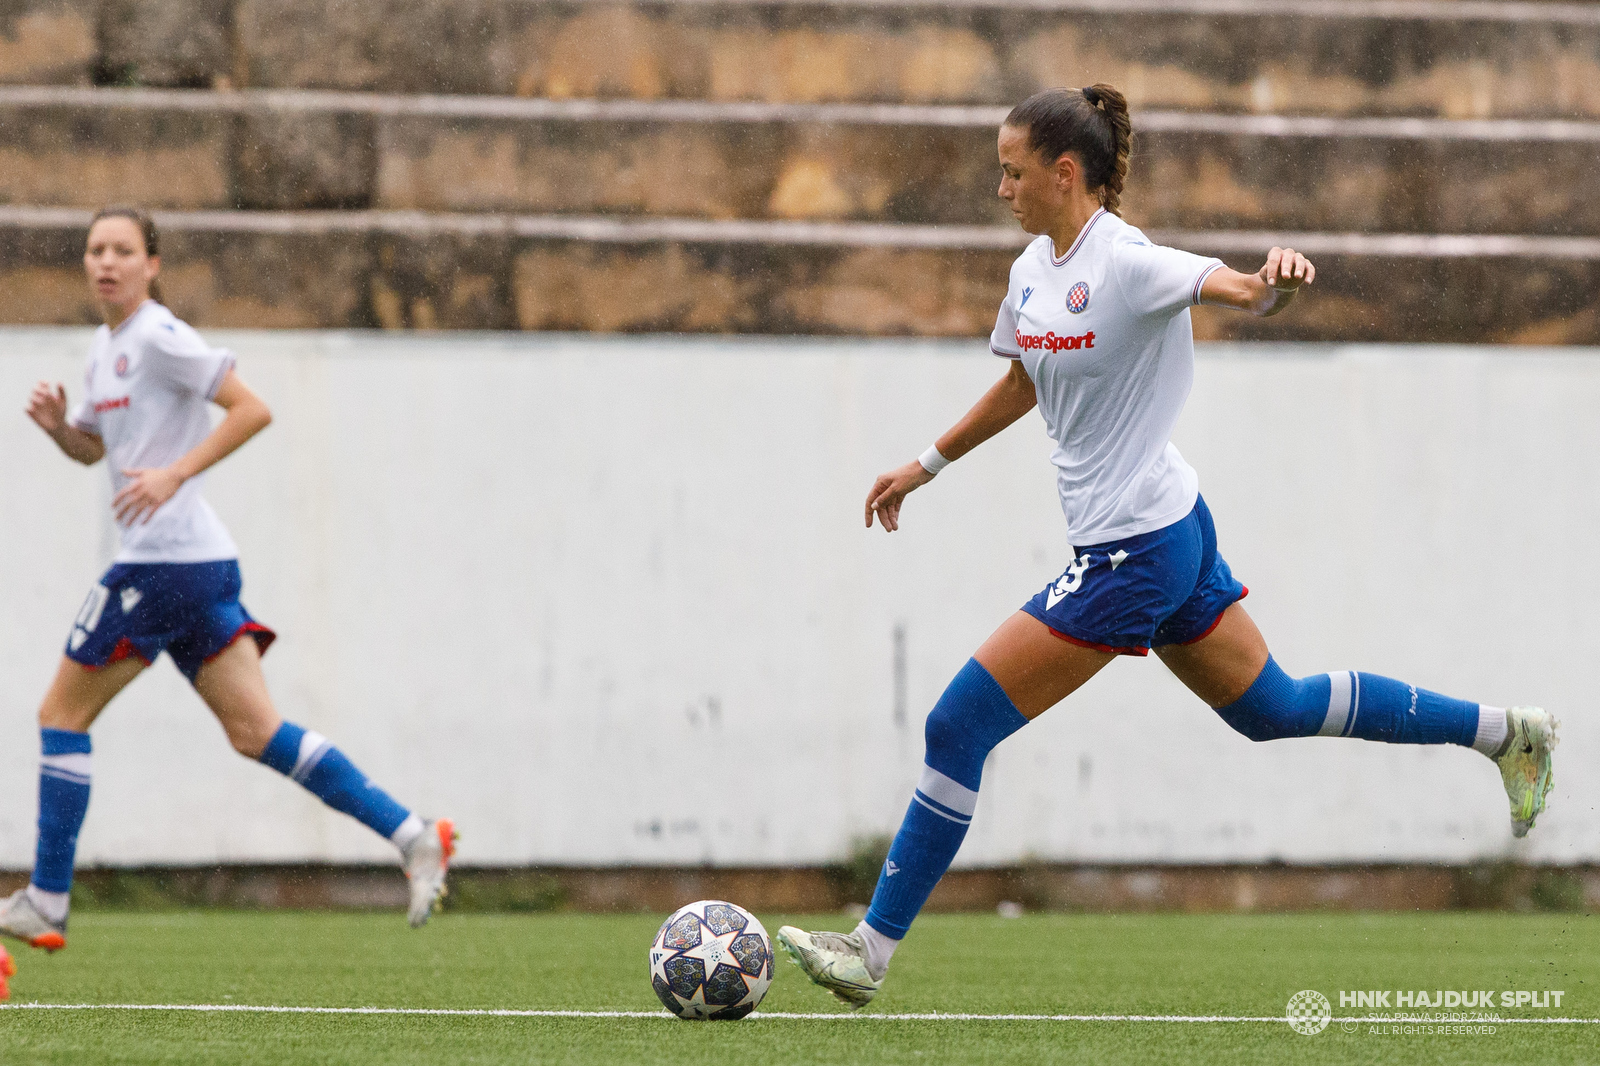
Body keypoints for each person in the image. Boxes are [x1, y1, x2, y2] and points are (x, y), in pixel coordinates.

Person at [776, 86, 1558, 1008]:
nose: (1001, 188)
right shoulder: (1033, 269)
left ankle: (868, 951)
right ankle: (1510, 735)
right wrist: (925, 465)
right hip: (1171, 526)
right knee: (1276, 706)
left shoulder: (1127, 262)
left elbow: (1228, 287)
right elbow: (1026, 382)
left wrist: (1271, 286)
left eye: (1013, 170)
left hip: (1135, 552)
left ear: (1066, 174)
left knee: (957, 725)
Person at [2, 206, 455, 953]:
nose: (105, 262)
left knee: (60, 715)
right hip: (195, 566)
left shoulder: (159, 335)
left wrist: (176, 474)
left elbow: (253, 408)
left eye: (122, 250)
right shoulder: (104, 348)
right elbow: (93, 452)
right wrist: (59, 429)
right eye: (94, 250)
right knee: (256, 732)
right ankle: (414, 837)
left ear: (153, 264)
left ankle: (48, 902)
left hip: (163, 563)